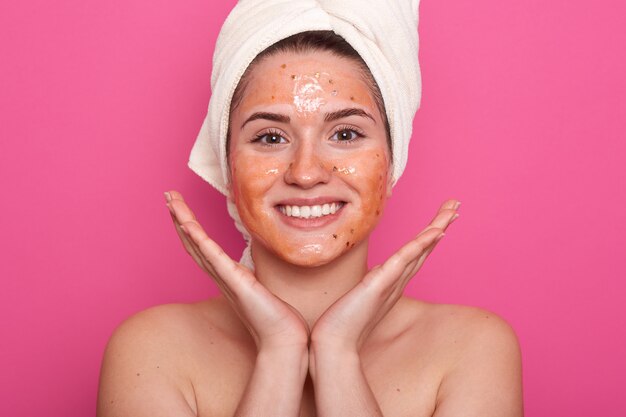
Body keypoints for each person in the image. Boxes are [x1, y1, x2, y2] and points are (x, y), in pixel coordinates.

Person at [97, 2, 523, 416]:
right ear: (226, 167)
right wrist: (280, 351)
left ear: (393, 164)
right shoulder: (151, 351)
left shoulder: (472, 350)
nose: (305, 173)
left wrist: (337, 354)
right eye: (270, 138)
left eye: (345, 133)